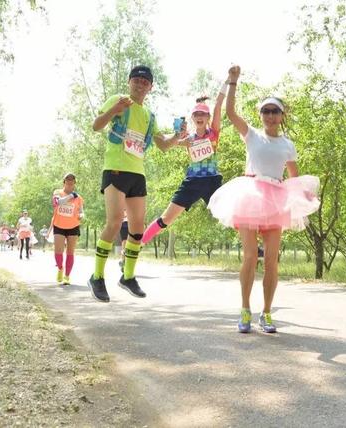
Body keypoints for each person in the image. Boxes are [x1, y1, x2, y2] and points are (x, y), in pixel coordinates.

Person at [208, 65, 320, 334]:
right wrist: (233, 82)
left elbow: (293, 176)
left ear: (282, 116)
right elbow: (231, 113)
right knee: (249, 256)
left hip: (276, 199)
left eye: (275, 111)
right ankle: (245, 310)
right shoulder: (252, 135)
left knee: (271, 260)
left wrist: (305, 194)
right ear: (261, 115)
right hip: (250, 194)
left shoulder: (287, 145)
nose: (270, 115)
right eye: (266, 111)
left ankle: (266, 313)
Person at [87, 65, 186, 303]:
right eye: (137, 80)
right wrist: (115, 110)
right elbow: (96, 125)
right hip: (116, 170)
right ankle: (97, 276)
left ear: (150, 87)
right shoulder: (119, 100)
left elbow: (163, 145)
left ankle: (128, 277)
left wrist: (177, 137)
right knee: (112, 223)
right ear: (129, 82)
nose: (140, 84)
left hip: (137, 175)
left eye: (145, 82)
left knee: (138, 230)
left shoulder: (149, 116)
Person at [141, 84, 226, 245]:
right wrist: (176, 137)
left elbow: (219, 104)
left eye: (203, 114)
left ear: (208, 118)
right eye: (196, 114)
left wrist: (229, 80)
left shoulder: (214, 133)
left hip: (212, 182)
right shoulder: (188, 139)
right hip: (192, 183)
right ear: (192, 118)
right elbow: (164, 140)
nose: (200, 117)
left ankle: (256, 248)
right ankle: (134, 248)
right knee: (165, 219)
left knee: (230, 214)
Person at [52, 173, 85, 285]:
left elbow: (81, 211)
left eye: (72, 180)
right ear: (64, 182)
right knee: (58, 252)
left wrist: (81, 215)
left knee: (70, 252)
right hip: (59, 225)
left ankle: (67, 276)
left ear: (74, 183)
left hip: (73, 226)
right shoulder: (58, 192)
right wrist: (70, 196)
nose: (70, 181)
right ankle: (60, 268)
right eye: (67, 179)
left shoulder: (79, 198)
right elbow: (56, 203)